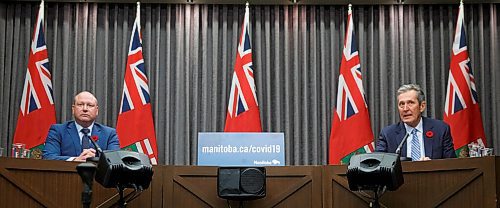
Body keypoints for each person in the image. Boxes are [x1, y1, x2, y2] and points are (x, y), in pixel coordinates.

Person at [376, 84, 456, 161]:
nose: (405, 109)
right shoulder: (388, 134)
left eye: (410, 103)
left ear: (422, 106)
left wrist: (431, 166)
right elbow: (377, 164)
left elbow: (451, 164)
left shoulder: (440, 129)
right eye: (401, 104)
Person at [43, 91, 120, 161]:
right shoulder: (58, 131)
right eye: (80, 105)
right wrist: (75, 160)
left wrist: (95, 159)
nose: (85, 109)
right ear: (73, 109)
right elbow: (48, 157)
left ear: (96, 111)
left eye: (90, 105)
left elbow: (115, 160)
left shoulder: (109, 134)